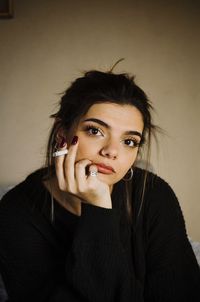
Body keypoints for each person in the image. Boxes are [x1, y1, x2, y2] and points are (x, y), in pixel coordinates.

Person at [0, 68, 199, 302]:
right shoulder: (15, 212)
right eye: (95, 131)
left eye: (129, 141)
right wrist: (98, 209)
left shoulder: (154, 194)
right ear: (62, 134)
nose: (111, 152)